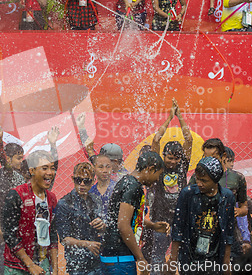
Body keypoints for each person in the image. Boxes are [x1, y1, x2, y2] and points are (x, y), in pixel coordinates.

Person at [143, 99, 192, 273]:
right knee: (157, 257)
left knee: (179, 258)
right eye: (169, 157)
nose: (172, 161)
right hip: (160, 220)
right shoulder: (158, 166)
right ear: (163, 156)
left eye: (175, 158)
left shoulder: (182, 166)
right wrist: (169, 117)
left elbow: (189, 139)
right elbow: (156, 139)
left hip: (180, 221)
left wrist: (180, 117)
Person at [100, 151, 168, 275]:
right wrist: (141, 258)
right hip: (120, 257)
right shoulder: (133, 187)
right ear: (150, 169)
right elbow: (123, 225)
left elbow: (126, 218)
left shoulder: (127, 181)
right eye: (158, 174)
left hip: (114, 256)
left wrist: (152, 226)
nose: (157, 179)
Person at [168, 157, 235, 275]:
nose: (199, 183)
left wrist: (226, 262)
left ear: (215, 180)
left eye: (204, 180)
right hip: (190, 255)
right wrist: (173, 259)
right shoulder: (188, 194)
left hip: (215, 256)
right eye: (197, 179)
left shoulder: (226, 197)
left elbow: (229, 232)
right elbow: (178, 228)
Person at [2, 150, 59, 275]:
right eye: (44, 168)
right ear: (32, 171)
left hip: (42, 263)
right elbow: (8, 234)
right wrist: (30, 265)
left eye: (52, 168)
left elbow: (53, 234)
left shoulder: (52, 198)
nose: (50, 173)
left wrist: (55, 269)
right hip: (17, 266)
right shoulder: (16, 195)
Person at [0, 127, 26, 275]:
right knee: (2, 261)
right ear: (8, 159)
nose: (21, 161)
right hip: (3, 224)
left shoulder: (21, 176)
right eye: (18, 158)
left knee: (21, 260)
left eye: (22, 157)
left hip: (20, 224)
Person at [54, 162, 104, 275]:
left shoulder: (96, 200)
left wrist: (102, 226)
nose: (81, 184)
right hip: (77, 264)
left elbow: (102, 231)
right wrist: (86, 244)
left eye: (86, 181)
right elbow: (64, 239)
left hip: (97, 261)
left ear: (92, 182)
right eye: (78, 180)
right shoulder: (65, 203)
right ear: (72, 179)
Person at [89, 154, 117, 218]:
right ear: (94, 169)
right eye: (100, 167)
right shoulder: (90, 192)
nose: (105, 171)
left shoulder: (118, 188)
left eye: (108, 167)